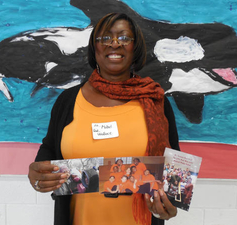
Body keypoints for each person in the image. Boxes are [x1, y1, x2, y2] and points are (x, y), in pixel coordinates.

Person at [28, 12, 180, 225]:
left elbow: (175, 174)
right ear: (94, 47)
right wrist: (38, 173)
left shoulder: (155, 101)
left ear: (135, 48)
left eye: (124, 38)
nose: (115, 44)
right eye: (105, 38)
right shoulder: (68, 101)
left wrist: (169, 204)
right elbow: (49, 150)